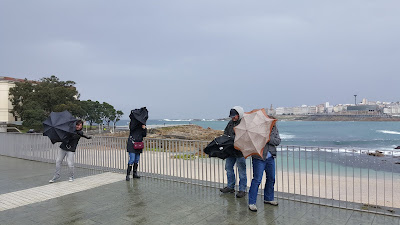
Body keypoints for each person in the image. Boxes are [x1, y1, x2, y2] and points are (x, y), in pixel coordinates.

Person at [248, 121, 281, 212]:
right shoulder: (257, 129)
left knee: (271, 178)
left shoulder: (275, 129)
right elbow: (253, 141)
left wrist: (268, 139)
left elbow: (278, 141)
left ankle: (269, 198)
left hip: (270, 157)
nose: (272, 122)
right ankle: (252, 202)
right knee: (257, 180)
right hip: (259, 158)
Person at [220, 106, 247, 198]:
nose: (233, 117)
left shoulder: (244, 123)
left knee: (242, 171)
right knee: (228, 168)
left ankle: (242, 190)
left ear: (239, 114)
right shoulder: (230, 123)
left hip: (240, 152)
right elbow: (225, 133)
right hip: (230, 151)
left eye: (234, 116)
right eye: (232, 116)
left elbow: (245, 137)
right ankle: (230, 186)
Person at [126, 107, 148, 181]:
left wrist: (144, 128)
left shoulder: (142, 126)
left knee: (136, 160)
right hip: (132, 144)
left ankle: (135, 174)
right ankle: (128, 174)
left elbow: (144, 135)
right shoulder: (133, 125)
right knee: (132, 159)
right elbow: (131, 128)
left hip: (138, 145)